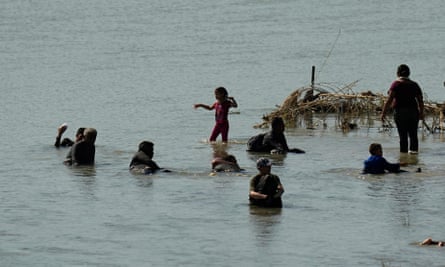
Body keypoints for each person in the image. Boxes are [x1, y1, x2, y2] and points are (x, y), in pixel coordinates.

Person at [381, 64, 424, 154]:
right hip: (413, 112)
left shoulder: (396, 84)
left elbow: (389, 100)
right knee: (413, 136)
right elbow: (420, 100)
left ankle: (403, 157)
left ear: (397, 73)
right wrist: (421, 113)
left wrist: (383, 113)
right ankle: (414, 156)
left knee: (403, 136)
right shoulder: (414, 85)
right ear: (409, 73)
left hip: (400, 112)